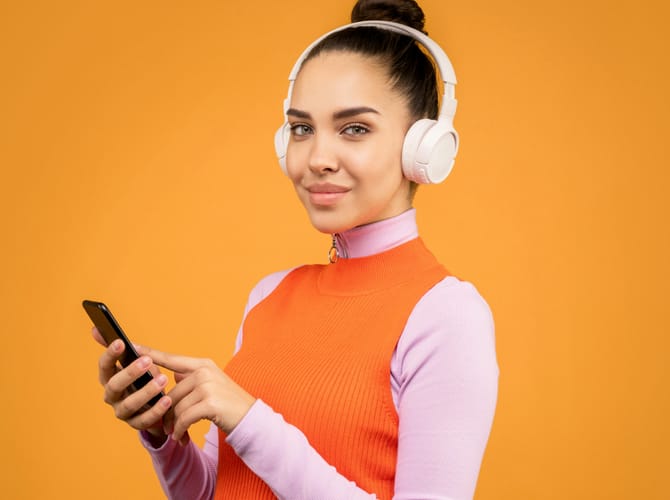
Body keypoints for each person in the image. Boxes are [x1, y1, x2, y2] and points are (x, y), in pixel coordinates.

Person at [92, 0, 499, 497]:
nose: (317, 158)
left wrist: (249, 419)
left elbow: (257, 434)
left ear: (423, 146)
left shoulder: (446, 314)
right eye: (303, 128)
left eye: (354, 128)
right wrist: (161, 437)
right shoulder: (269, 295)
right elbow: (218, 491)